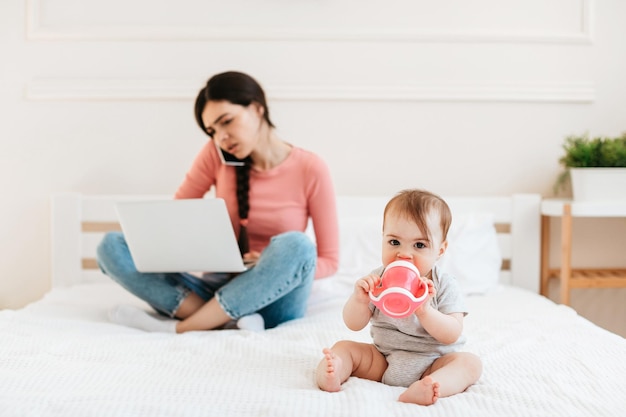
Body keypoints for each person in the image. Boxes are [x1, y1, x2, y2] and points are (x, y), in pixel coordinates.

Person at [96, 71, 339, 333]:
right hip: (215, 288)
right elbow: (173, 217)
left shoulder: (311, 168)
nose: (221, 137)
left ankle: (181, 328)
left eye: (227, 121)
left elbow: (329, 260)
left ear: (257, 109)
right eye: (212, 131)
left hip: (274, 298)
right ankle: (223, 319)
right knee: (111, 246)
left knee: (298, 246)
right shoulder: (215, 154)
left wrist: (267, 264)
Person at [315, 189, 482, 405]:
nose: (404, 254)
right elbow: (353, 324)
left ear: (440, 250)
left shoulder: (444, 285)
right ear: (383, 238)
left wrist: (425, 311)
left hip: (433, 361)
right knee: (344, 347)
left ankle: (429, 385)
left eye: (419, 245)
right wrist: (359, 301)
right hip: (383, 359)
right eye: (394, 242)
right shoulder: (378, 279)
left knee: (470, 364)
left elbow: (452, 333)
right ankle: (332, 373)